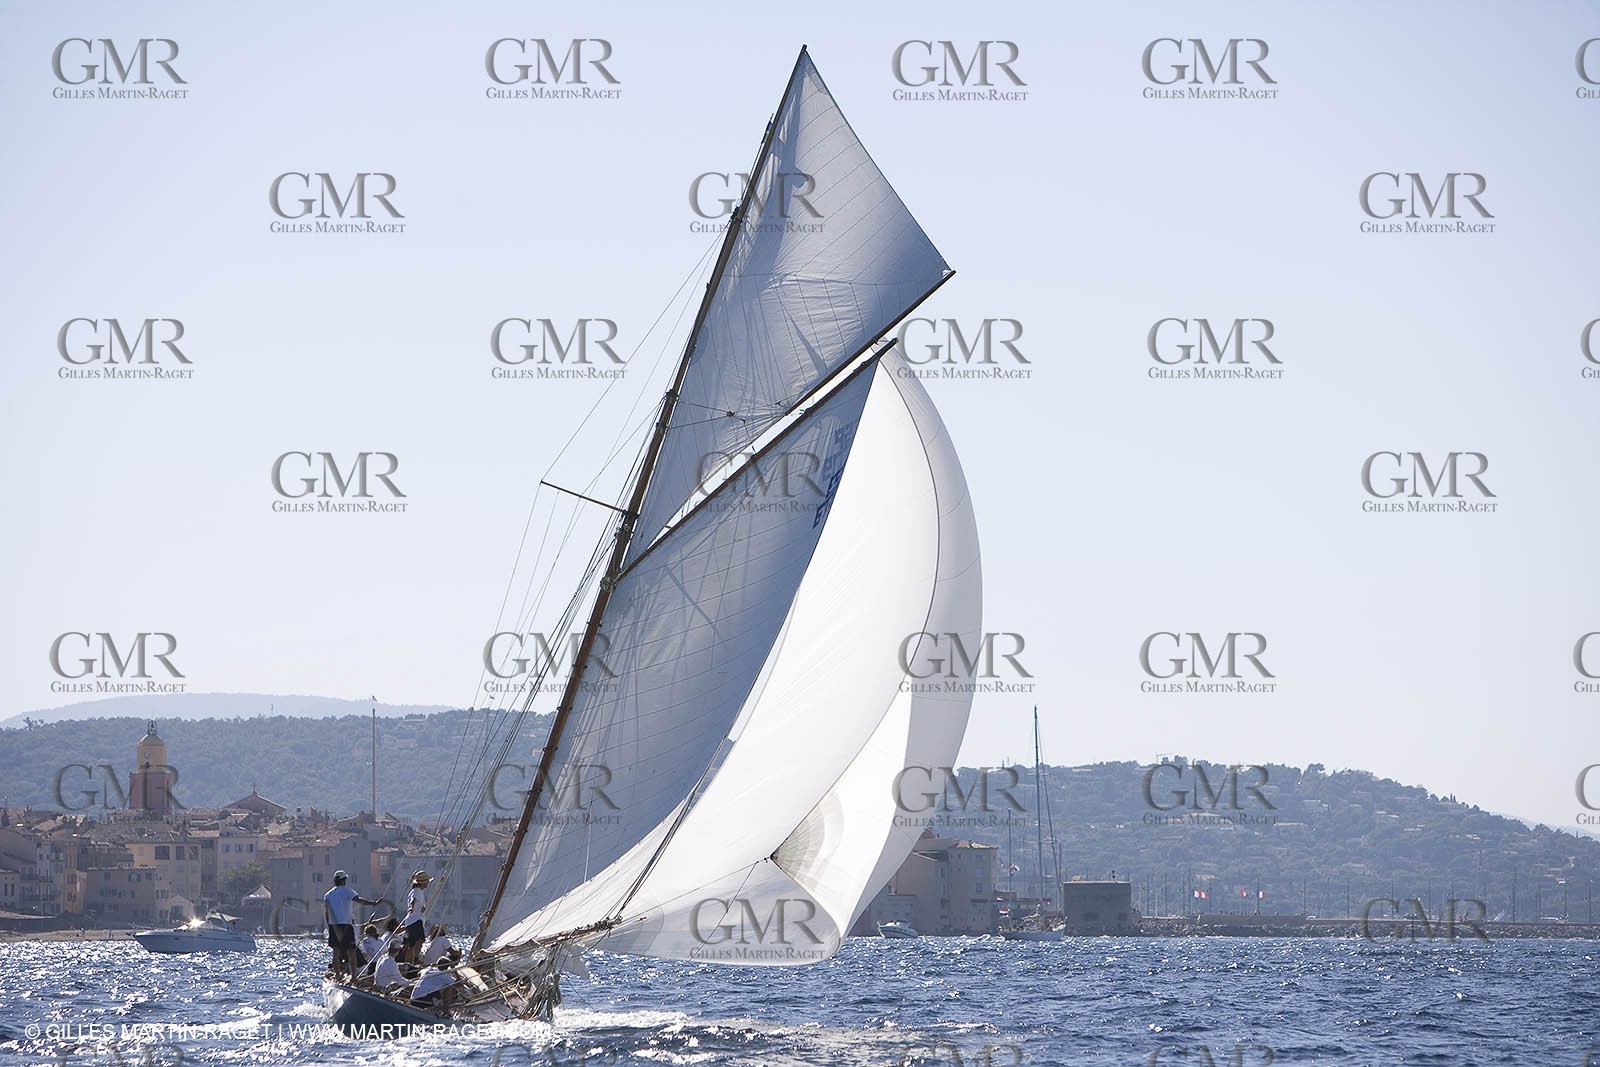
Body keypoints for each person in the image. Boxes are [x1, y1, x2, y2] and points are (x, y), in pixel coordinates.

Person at [323, 871, 380, 978]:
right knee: (351, 951)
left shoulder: (328, 895)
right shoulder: (348, 891)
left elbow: (327, 913)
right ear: (344, 880)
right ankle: (354, 977)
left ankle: (337, 975)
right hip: (346, 925)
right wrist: (373, 903)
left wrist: (329, 925)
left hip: (333, 926)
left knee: (336, 952)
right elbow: (359, 900)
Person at [399, 870, 431, 964]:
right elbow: (414, 900)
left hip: (411, 921)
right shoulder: (417, 891)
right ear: (422, 882)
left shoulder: (417, 891)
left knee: (411, 944)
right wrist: (411, 907)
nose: (428, 883)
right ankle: (415, 958)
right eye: (427, 881)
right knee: (420, 940)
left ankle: (407, 962)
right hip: (416, 920)